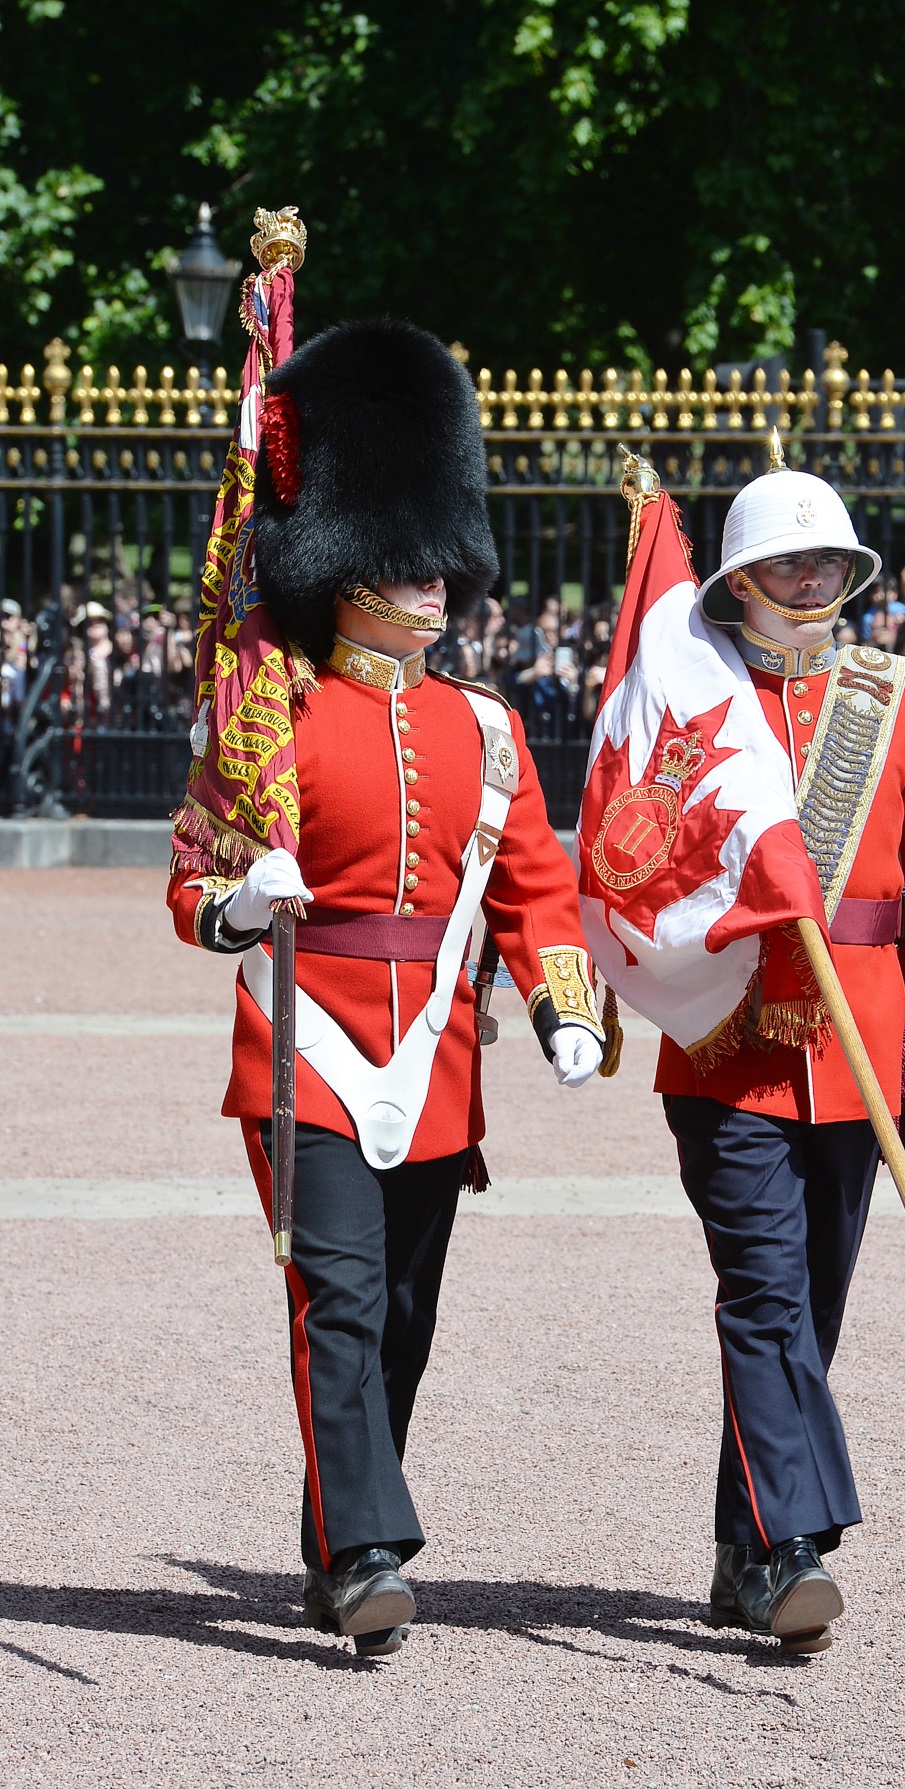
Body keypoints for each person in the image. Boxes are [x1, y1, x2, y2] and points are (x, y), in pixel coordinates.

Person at [167, 318, 605, 1658]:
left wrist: (565, 1006)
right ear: (345, 567)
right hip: (303, 1042)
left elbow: (533, 885)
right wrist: (240, 904)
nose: (435, 591)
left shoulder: (485, 726)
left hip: (435, 1058)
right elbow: (194, 877)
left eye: (439, 568)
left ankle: (333, 1529)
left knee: (401, 1320)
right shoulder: (273, 714)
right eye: (407, 567)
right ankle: (368, 1552)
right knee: (340, 1300)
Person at [587, 464, 905, 1655]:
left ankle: (739, 1549)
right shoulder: (695, 696)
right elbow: (642, 849)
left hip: (863, 1039)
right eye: (786, 562)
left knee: (807, 1314)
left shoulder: (895, 697)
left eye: (827, 563)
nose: (810, 580)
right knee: (763, 1295)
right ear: (738, 579)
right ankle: (797, 1547)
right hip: (733, 1038)